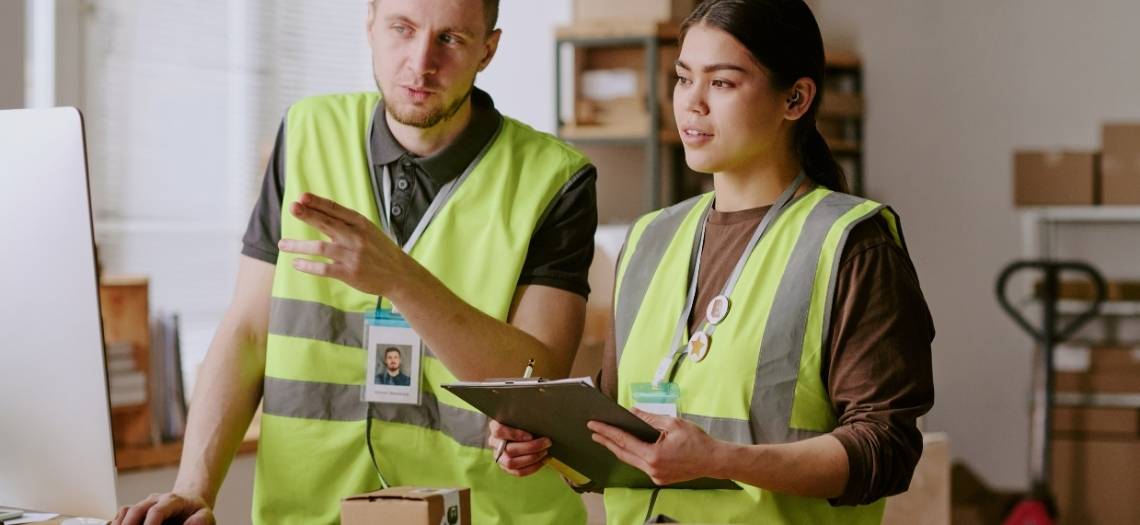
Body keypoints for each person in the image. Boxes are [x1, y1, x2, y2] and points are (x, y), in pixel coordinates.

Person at [113, 0, 597, 523]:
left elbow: (537, 381)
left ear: (488, 50)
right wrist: (195, 488)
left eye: (450, 40)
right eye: (402, 29)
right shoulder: (306, 133)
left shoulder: (555, 178)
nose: (420, 61)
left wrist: (399, 279)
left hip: (484, 514)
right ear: (370, 25)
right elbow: (250, 330)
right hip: (312, 512)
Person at [490, 0, 935, 523]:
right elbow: (618, 419)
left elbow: (885, 449)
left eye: (721, 83)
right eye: (683, 79)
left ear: (796, 98)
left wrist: (722, 459)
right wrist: (547, 441)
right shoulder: (650, 238)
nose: (691, 104)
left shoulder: (850, 243)